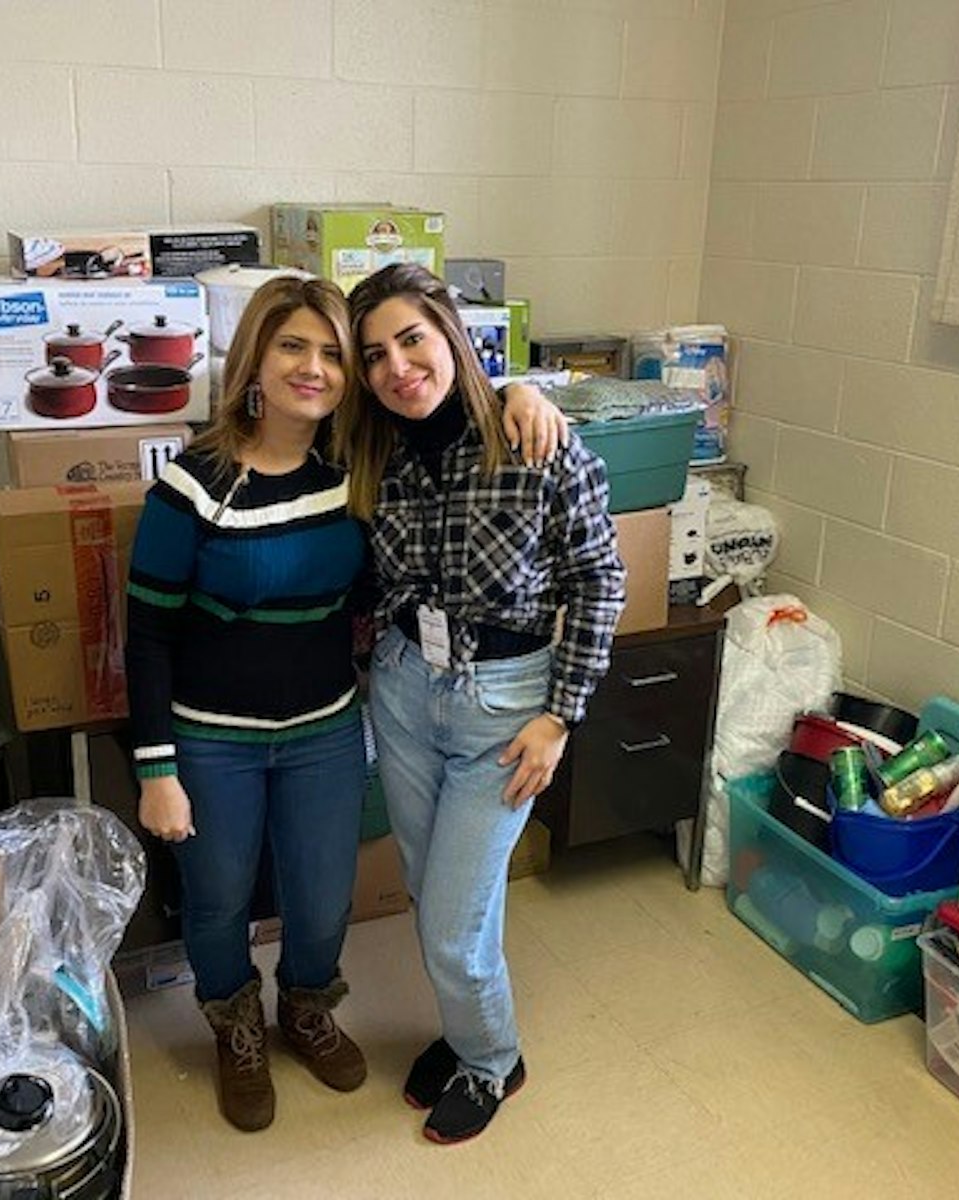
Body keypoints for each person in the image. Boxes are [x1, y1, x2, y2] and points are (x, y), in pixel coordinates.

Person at [124, 275, 566, 1133]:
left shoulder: (361, 466)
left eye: (334, 353)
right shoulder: (193, 484)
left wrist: (520, 391)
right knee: (217, 898)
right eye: (294, 346)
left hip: (328, 728)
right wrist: (157, 768)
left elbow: (446, 416)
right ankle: (237, 1028)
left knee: (323, 899)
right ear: (254, 357)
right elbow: (146, 636)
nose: (316, 369)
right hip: (213, 739)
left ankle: (305, 1010)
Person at [339, 264, 627, 1144]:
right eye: (376, 354)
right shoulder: (369, 449)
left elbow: (601, 578)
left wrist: (561, 716)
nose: (398, 367)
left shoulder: (533, 440)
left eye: (413, 339)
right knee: (435, 897)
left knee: (455, 929)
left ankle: (492, 1060)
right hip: (402, 689)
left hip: (506, 709)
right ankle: (470, 1035)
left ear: (452, 336)